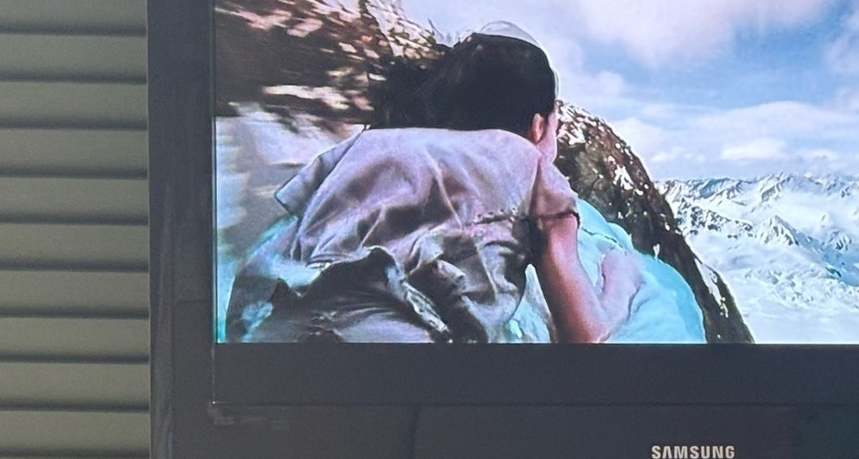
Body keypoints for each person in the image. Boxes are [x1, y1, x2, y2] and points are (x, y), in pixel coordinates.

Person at [227, 30, 639, 344]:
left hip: (279, 332)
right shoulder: (528, 163)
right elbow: (587, 338)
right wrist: (619, 279)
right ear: (537, 127)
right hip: (394, 352)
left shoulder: (362, 148)